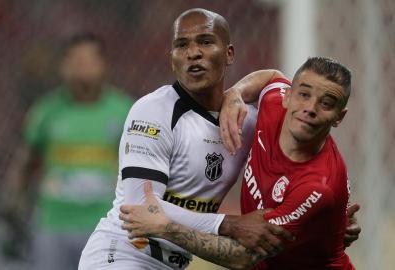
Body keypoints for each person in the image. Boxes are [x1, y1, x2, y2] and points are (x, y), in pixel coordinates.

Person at [79, 8, 296, 270]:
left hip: (173, 263)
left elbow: (283, 84)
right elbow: (140, 207)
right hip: (120, 254)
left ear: (229, 53)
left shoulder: (246, 119)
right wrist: (230, 224)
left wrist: (330, 215)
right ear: (172, 59)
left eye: (205, 41)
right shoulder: (153, 111)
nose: (193, 52)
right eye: (182, 45)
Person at [120, 57, 360, 269]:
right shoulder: (273, 104)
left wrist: (165, 227)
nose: (310, 108)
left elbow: (242, 257)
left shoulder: (318, 187)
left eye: (326, 103)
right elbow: (272, 76)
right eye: (304, 94)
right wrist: (235, 93)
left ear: (339, 118)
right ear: (288, 96)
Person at [4, 33, 134, 270]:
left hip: (105, 225)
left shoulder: (124, 111)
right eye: (74, 61)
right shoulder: (46, 112)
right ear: (63, 66)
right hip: (53, 224)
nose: (80, 67)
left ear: (103, 65)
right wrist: (14, 206)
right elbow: (26, 162)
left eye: (87, 60)